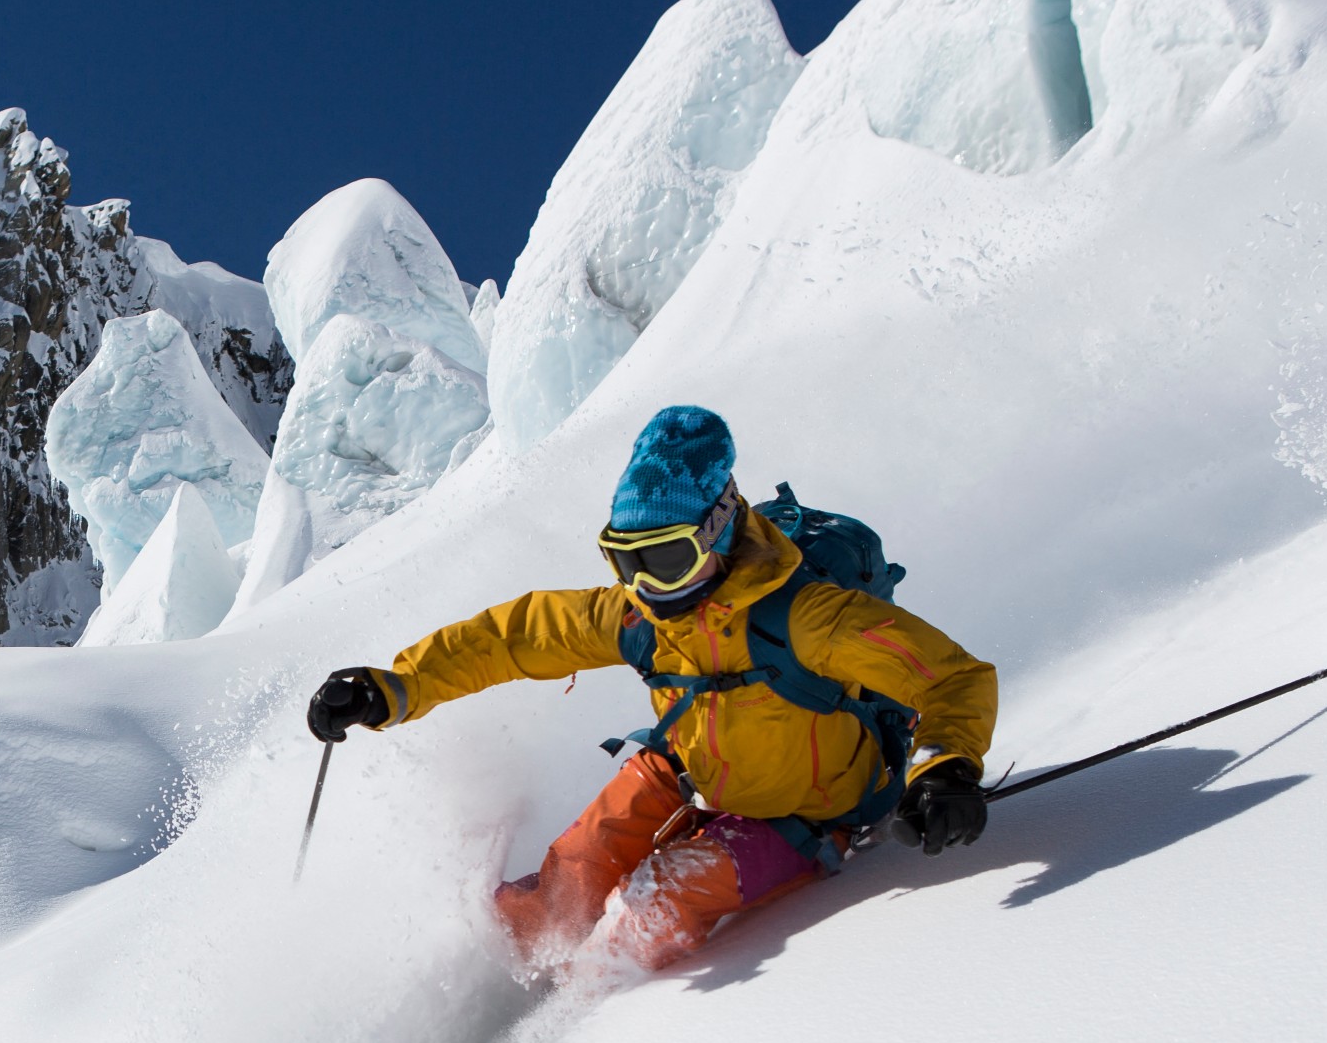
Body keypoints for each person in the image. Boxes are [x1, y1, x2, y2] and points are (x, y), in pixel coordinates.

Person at [304, 405, 997, 971]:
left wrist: (947, 767)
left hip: (807, 815)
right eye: (624, 559)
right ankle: (494, 990)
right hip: (693, 770)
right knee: (568, 881)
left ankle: (573, 1040)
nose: (643, 585)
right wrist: (396, 686)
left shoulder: (810, 619)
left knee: (651, 905)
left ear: (719, 529)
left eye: (666, 559)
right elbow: (513, 637)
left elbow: (951, 676)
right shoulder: (638, 614)